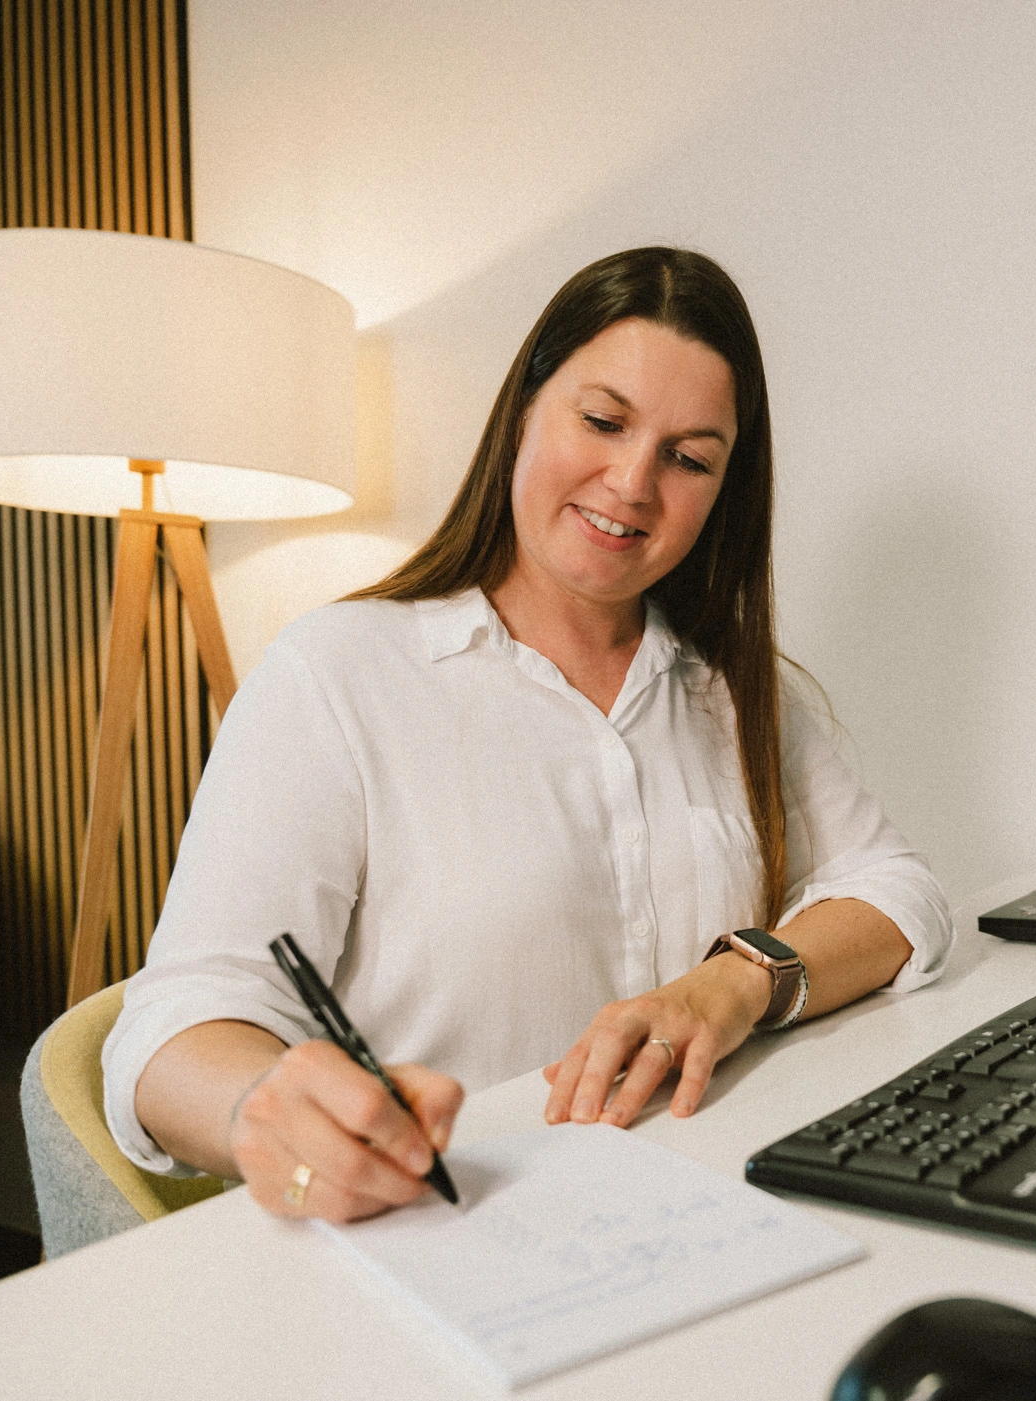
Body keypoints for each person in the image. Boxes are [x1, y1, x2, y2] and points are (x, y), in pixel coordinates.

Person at [101, 247, 952, 1223]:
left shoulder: (727, 692)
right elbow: (164, 1036)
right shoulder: (337, 674)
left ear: (723, 491)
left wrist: (732, 985)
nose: (633, 483)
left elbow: (898, 895)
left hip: (709, 1217)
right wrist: (266, 1108)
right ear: (520, 411)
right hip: (454, 1230)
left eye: (688, 458)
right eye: (601, 421)